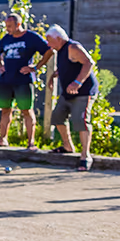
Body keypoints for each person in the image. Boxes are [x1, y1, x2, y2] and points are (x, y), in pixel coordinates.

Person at [32, 24, 98, 171]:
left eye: (50, 41)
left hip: (83, 91)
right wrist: (55, 74)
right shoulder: (60, 50)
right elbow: (69, 64)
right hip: (68, 92)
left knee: (81, 120)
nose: (48, 44)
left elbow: (89, 63)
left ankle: (85, 156)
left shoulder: (72, 47)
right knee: (57, 117)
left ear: (59, 38)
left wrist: (77, 82)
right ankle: (68, 146)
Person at [0, 13, 49, 149]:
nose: (7, 29)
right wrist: (1, 66)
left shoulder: (31, 37)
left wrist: (36, 67)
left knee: (26, 110)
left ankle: (31, 143)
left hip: (23, 80)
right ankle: (2, 139)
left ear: (18, 24)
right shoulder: (6, 39)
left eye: (9, 26)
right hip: (6, 80)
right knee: (5, 110)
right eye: (6, 26)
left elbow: (48, 51)